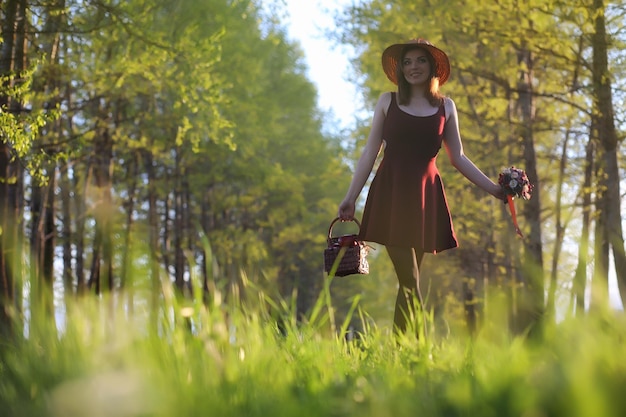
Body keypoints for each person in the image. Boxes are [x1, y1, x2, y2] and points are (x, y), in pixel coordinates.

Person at [337, 38, 505, 336]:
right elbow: (369, 152)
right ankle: (419, 348)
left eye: (420, 61)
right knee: (410, 280)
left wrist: (494, 189)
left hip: (426, 200)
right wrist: (351, 197)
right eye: (407, 62)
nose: (413, 67)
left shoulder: (446, 107)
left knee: (408, 284)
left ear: (432, 67)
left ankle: (401, 353)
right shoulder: (388, 101)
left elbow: (459, 158)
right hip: (391, 195)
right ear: (400, 69)